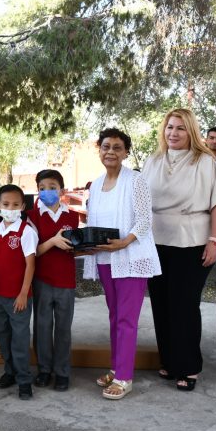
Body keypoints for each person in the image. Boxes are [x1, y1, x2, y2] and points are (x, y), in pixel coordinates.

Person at [141, 108, 216, 392]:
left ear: (190, 131)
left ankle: (189, 366)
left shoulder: (205, 161)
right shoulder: (153, 160)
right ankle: (168, 360)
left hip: (191, 241)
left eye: (180, 128)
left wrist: (214, 241)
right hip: (155, 241)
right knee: (161, 302)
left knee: (184, 305)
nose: (173, 133)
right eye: (169, 127)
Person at [82, 129, 161, 400]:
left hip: (130, 258)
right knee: (115, 316)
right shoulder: (95, 183)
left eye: (117, 147)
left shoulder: (136, 180)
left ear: (126, 152)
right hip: (106, 258)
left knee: (127, 319)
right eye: (106, 146)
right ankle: (116, 368)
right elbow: (93, 221)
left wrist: (125, 242)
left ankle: (125, 377)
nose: (111, 152)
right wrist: (88, 244)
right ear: (99, 150)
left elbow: (144, 220)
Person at [26, 169, 80, 392]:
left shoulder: (72, 216)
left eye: (52, 187)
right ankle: (44, 370)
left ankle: (62, 372)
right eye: (41, 188)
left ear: (62, 190)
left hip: (66, 280)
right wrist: (53, 242)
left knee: (63, 329)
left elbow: (77, 247)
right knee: (42, 326)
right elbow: (31, 251)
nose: (47, 192)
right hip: (42, 279)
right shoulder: (32, 216)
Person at [0, 184, 38, 400]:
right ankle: (10, 372)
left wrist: (23, 293)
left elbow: (30, 264)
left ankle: (24, 381)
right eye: (6, 204)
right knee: (3, 337)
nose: (10, 208)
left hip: (19, 298)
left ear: (22, 206)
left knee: (19, 340)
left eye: (15, 204)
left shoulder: (26, 231)